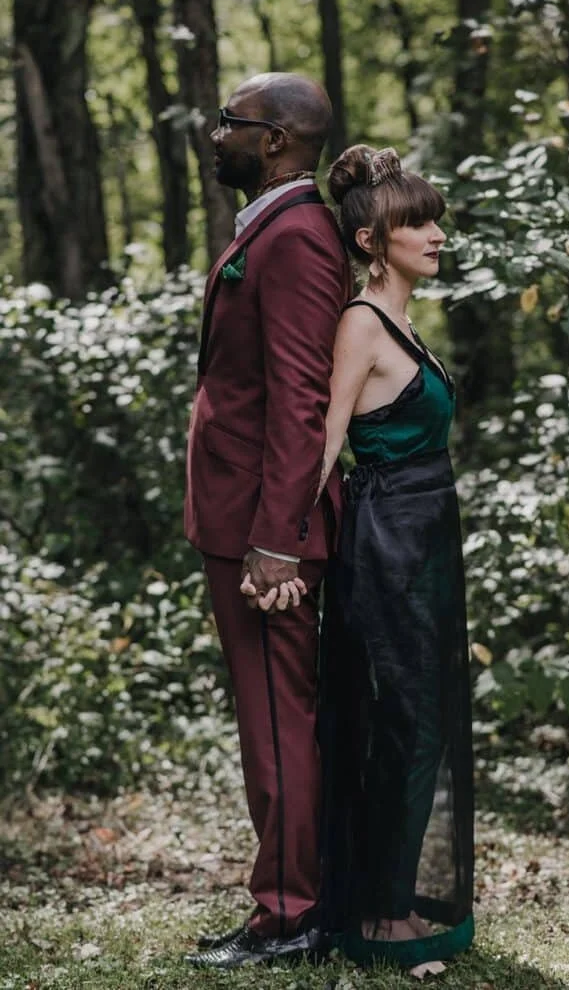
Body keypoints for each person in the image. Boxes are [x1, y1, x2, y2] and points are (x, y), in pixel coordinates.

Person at [183, 73, 350, 968]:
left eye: (230, 123)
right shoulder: (270, 229)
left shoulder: (294, 239)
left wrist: (278, 541)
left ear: (278, 140)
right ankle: (281, 902)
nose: (214, 135)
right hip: (239, 519)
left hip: (266, 532)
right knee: (267, 719)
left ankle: (290, 914)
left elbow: (299, 401)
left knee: (278, 720)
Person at [312, 144, 475, 977]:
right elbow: (329, 439)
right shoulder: (359, 323)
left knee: (424, 722)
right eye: (420, 223)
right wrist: (283, 546)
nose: (438, 234)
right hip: (384, 545)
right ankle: (378, 913)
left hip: (425, 543)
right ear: (374, 240)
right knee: (402, 723)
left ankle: (397, 900)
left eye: (436, 219)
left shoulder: (406, 323)